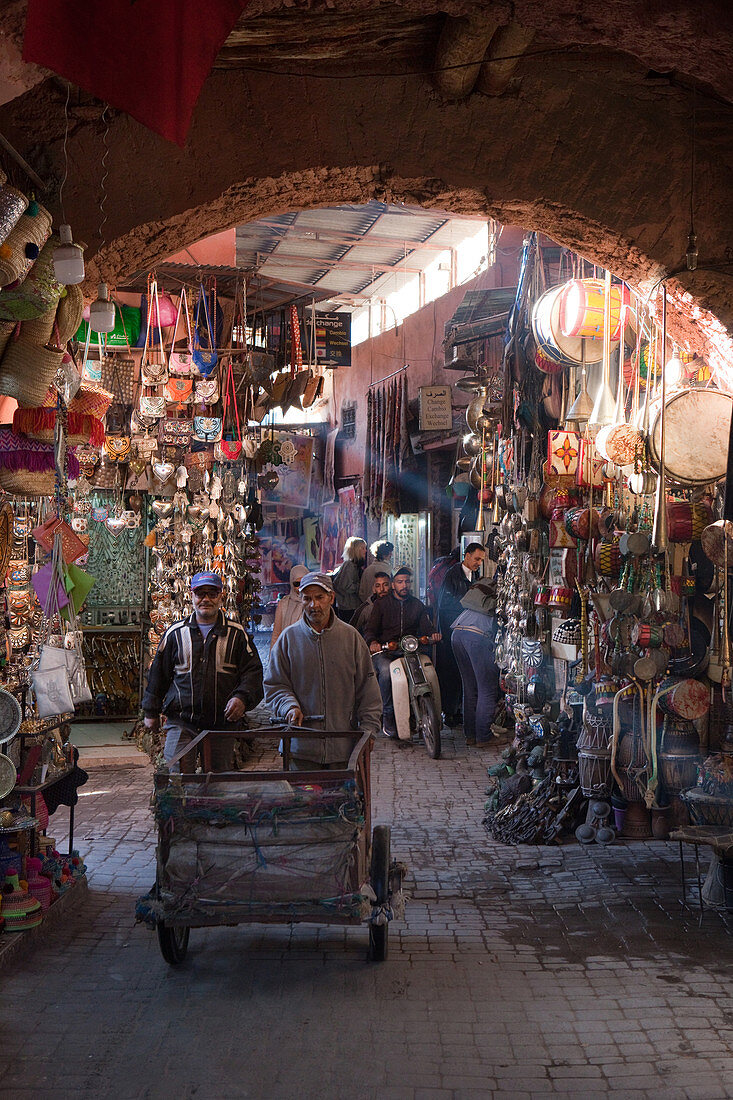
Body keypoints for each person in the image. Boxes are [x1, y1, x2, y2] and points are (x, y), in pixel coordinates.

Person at [142, 571, 264, 771]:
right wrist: (151, 711)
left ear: (221, 596)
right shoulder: (175, 634)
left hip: (220, 723)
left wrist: (242, 697)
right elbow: (158, 675)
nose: (205, 599)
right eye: (200, 594)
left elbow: (253, 673)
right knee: (177, 778)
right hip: (181, 720)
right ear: (192, 596)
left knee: (216, 785)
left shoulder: (236, 634)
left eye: (212, 593)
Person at [264, 571, 382, 769]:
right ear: (300, 600)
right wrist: (289, 706)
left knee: (344, 799)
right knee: (302, 800)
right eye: (307, 598)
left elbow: (368, 689)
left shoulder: (351, 638)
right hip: (300, 748)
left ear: (331, 598)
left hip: (344, 748)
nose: (314, 605)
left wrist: (369, 730)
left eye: (319, 597)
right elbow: (274, 685)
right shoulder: (288, 639)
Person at [364, 566, 440, 739]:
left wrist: (432, 634)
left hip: (410, 651)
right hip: (386, 652)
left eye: (407, 581)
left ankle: (429, 712)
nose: (404, 585)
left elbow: (427, 628)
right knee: (385, 673)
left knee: (428, 671)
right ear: (393, 585)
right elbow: (370, 630)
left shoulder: (417, 605)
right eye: (400, 582)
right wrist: (373, 642)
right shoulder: (381, 604)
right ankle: (388, 716)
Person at [435, 542, 486, 726]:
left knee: (464, 673)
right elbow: (444, 606)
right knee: (452, 674)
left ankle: (462, 713)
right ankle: (450, 712)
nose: (478, 563)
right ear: (466, 555)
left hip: (467, 631)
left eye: (481, 560)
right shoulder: (453, 576)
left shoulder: (475, 575)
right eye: (476, 558)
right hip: (454, 632)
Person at [450, 579, 500, 747]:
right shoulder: (499, 597)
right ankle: (483, 737)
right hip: (476, 636)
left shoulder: (482, 593)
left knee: (470, 687)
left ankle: (470, 735)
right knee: (487, 688)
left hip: (457, 632)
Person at [270, 563, 308, 647]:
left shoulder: (313, 603)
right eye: (296, 584)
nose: (300, 587)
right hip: (287, 651)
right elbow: (276, 633)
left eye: (303, 582)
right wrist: (273, 657)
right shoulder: (284, 603)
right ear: (291, 583)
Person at [332, 535, 367, 621]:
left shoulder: (354, 565)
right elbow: (346, 586)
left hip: (350, 606)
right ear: (356, 549)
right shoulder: (349, 565)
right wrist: (361, 587)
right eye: (363, 548)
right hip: (348, 607)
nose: (365, 551)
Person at [351, 570, 391, 636]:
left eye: (385, 585)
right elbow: (351, 631)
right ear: (373, 589)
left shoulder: (397, 603)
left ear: (391, 585)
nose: (382, 589)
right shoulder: (366, 609)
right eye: (378, 586)